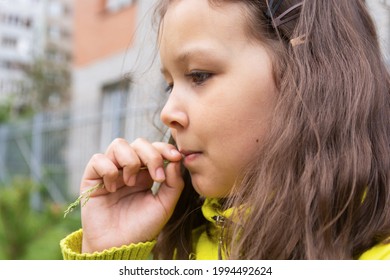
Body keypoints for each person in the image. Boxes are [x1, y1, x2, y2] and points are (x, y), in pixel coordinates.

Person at [60, 0, 390, 260]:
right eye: (169, 86)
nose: (167, 114)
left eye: (199, 75)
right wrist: (107, 255)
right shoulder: (182, 244)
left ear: (309, 73)